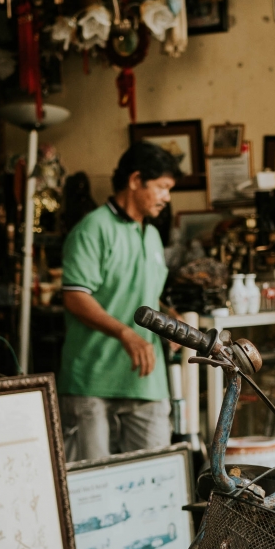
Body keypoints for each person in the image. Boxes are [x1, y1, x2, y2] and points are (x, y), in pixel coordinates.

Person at [58, 142, 180, 461]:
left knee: (155, 479)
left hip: (146, 382)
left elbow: (143, 294)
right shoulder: (92, 229)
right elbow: (75, 296)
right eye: (162, 187)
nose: (167, 198)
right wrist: (125, 332)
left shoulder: (152, 235)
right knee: (96, 489)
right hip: (92, 382)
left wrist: (171, 319)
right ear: (136, 180)